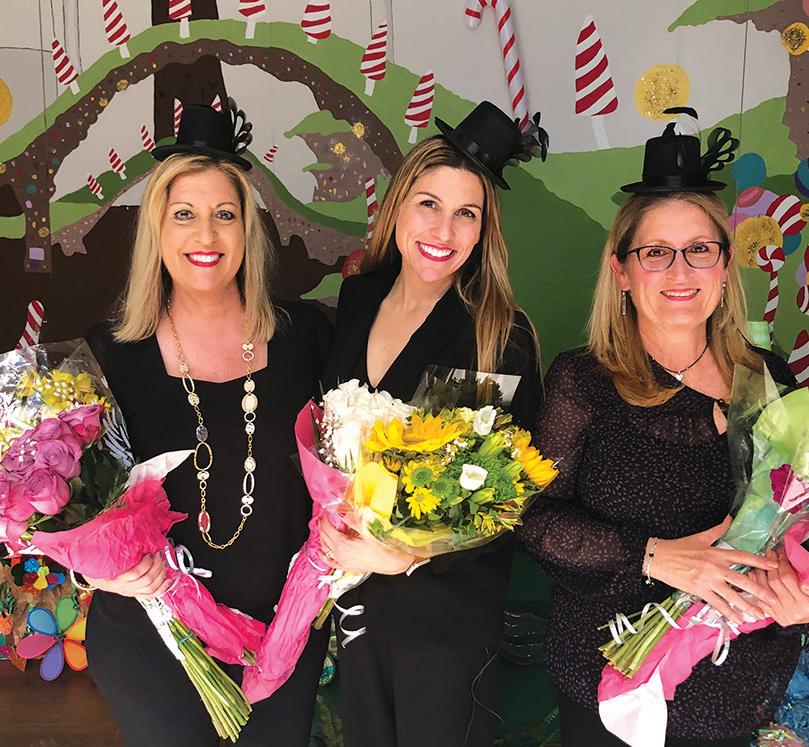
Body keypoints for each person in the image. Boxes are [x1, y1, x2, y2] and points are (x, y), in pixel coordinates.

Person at [518, 111, 808, 746]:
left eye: (700, 250)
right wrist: (655, 556)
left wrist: (801, 596)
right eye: (656, 253)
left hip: (737, 690)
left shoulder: (771, 379)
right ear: (622, 272)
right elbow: (533, 519)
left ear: (725, 266)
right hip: (610, 686)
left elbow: (795, 525)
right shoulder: (583, 380)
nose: (681, 273)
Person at [82, 100, 330, 746]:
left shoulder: (306, 337)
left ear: (247, 229)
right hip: (153, 639)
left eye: (225, 214)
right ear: (156, 228)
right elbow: (69, 505)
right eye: (184, 214)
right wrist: (93, 571)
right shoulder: (111, 355)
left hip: (281, 640)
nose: (206, 235)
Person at [318, 101, 548, 746]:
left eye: (466, 213)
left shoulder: (497, 335)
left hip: (445, 622)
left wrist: (407, 554)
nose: (444, 229)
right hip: (355, 604)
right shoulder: (359, 297)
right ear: (398, 206)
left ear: (483, 230)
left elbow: (501, 500)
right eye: (428, 204)